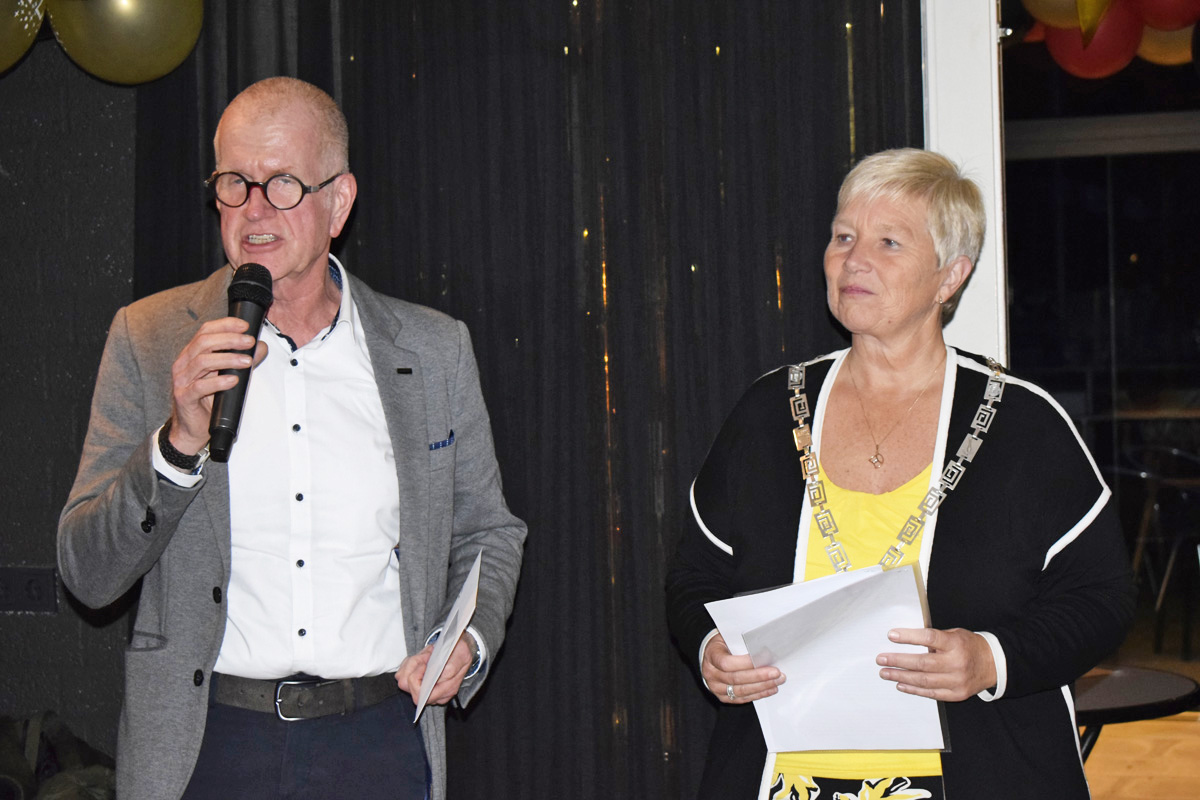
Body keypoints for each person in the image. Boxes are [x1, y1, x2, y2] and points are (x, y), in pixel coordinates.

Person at [57, 77, 526, 800]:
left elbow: (489, 532)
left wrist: (467, 638)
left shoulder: (433, 351)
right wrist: (176, 446)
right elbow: (88, 574)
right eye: (233, 183)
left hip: (378, 740)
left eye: (282, 184)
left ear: (339, 202)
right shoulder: (150, 341)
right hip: (208, 742)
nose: (253, 209)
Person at [665, 148, 1134, 799]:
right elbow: (695, 576)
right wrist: (710, 647)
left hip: (983, 775)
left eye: (888, 242)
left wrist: (990, 659)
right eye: (843, 237)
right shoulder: (767, 412)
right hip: (782, 779)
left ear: (950, 277)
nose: (854, 260)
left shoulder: (1024, 424)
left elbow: (1101, 598)